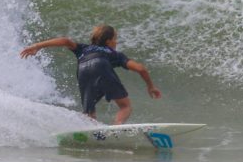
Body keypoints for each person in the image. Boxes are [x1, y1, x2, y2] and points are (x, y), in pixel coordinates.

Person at [20, 25, 162, 124]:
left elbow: (64, 40)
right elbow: (141, 68)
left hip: (83, 69)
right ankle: (117, 126)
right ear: (108, 41)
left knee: (89, 113)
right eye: (115, 38)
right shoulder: (114, 54)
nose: (116, 41)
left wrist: (37, 46)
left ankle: (91, 132)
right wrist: (151, 86)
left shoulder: (83, 48)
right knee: (125, 106)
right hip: (102, 66)